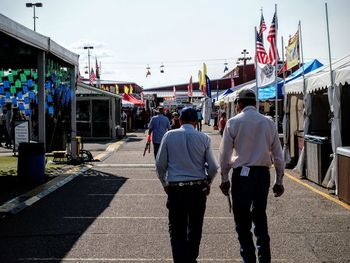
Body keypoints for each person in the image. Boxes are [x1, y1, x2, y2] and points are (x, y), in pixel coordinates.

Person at [219, 89, 285, 263]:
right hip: (262, 175)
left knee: (242, 221)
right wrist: (279, 181)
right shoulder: (268, 123)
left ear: (239, 104)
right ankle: (264, 259)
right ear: (255, 104)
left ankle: (248, 259)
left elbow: (224, 154)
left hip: (241, 176)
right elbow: (278, 155)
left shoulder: (233, 122)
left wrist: (224, 178)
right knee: (260, 217)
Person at [156, 107, 219, 263]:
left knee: (177, 228)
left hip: (176, 188)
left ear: (180, 120)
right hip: (198, 188)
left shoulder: (169, 136)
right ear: (196, 122)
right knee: (195, 227)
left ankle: (180, 259)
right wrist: (208, 182)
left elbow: (160, 165)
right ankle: (191, 258)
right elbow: (213, 167)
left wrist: (164, 183)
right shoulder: (204, 138)